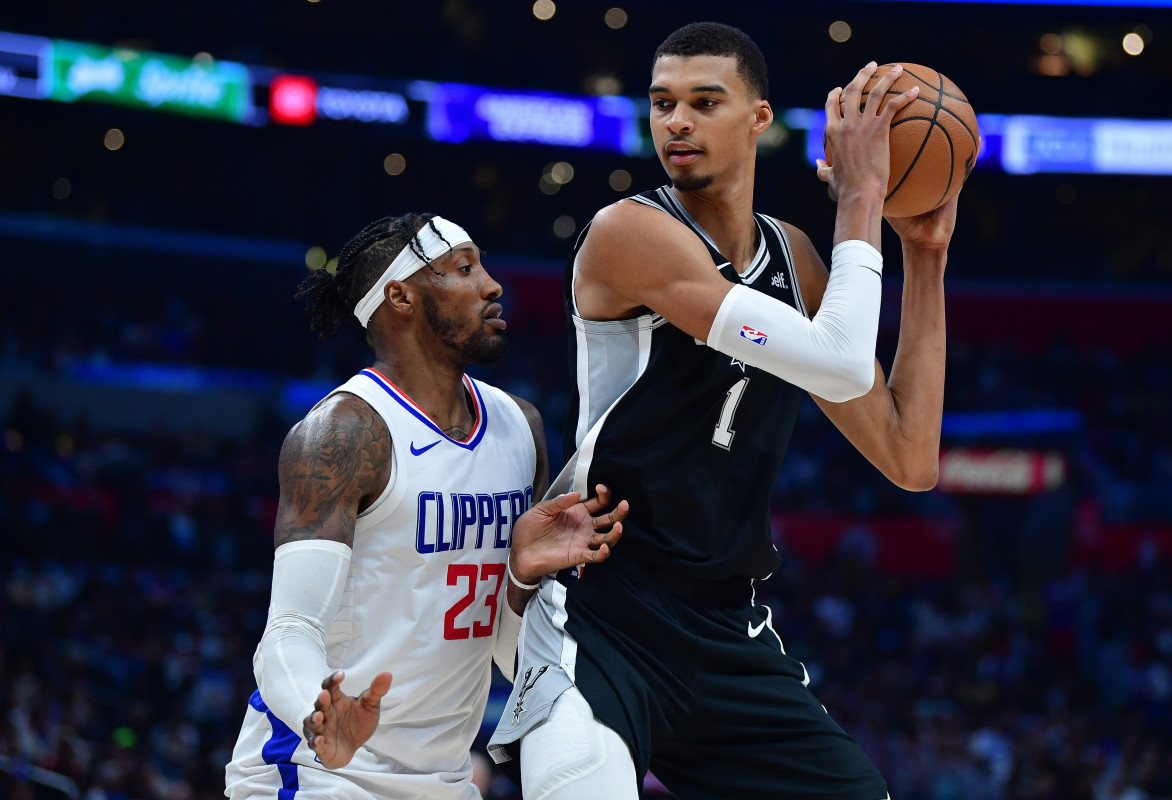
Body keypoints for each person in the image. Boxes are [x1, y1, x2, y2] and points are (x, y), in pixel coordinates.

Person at [488, 22, 958, 800]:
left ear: (759, 120)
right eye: (662, 103)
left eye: (706, 102)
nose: (677, 122)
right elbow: (840, 359)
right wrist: (865, 198)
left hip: (724, 629)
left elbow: (910, 456)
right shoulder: (629, 234)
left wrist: (926, 254)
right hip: (605, 611)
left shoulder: (797, 259)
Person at [224, 212, 628, 800]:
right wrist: (318, 713)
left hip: (445, 781)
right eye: (464, 269)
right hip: (317, 774)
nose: (491, 284)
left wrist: (518, 575)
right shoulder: (344, 432)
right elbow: (289, 629)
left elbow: (505, 653)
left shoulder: (520, 428)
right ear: (400, 296)